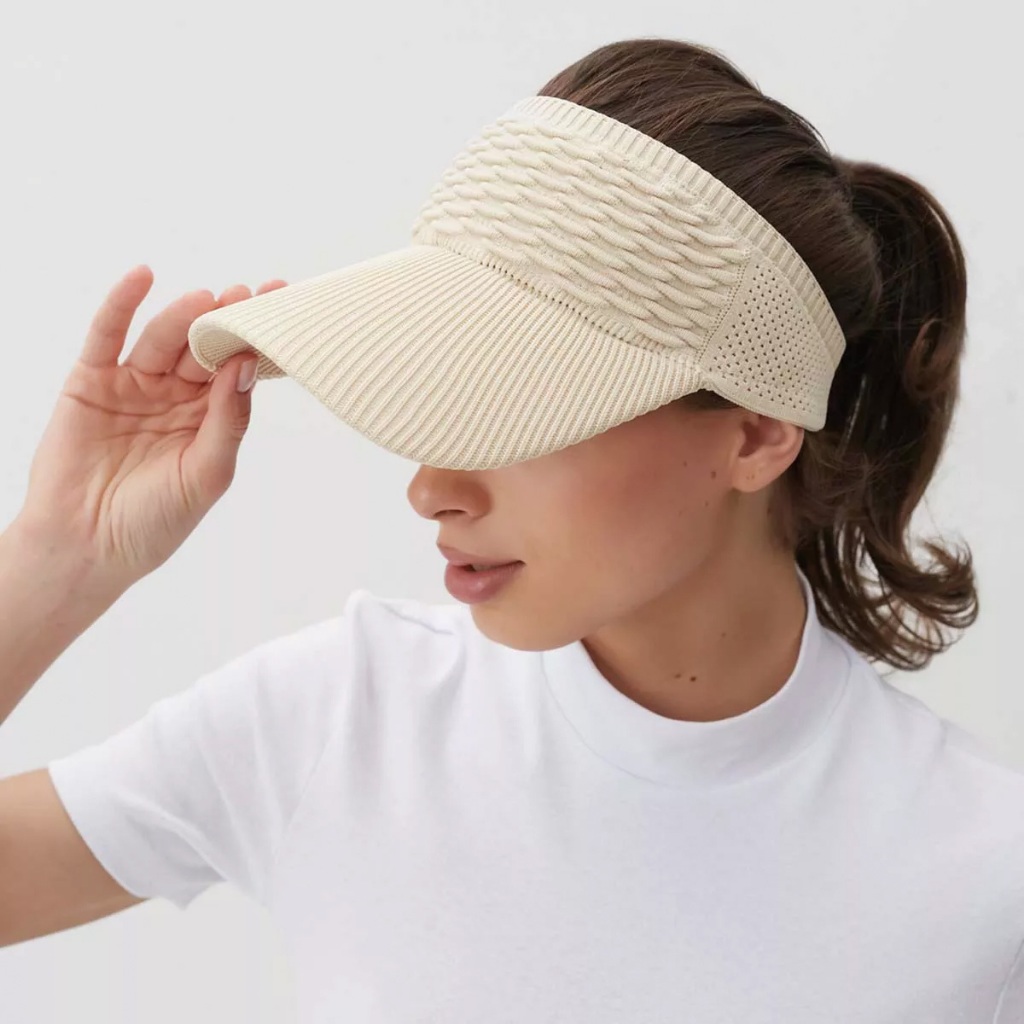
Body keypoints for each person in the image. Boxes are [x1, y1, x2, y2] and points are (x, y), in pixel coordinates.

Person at [2, 35, 1023, 1022]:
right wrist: (59, 557)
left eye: (518, 408)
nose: (431, 489)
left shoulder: (981, 874)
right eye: (443, 398)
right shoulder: (342, 719)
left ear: (755, 433)